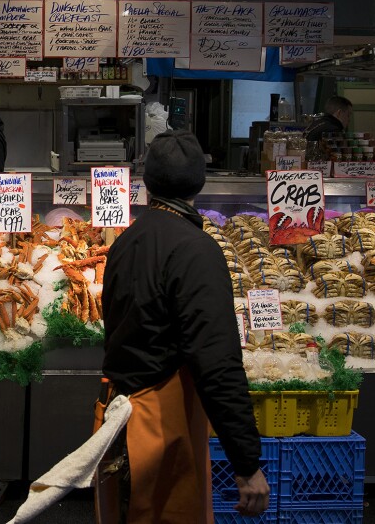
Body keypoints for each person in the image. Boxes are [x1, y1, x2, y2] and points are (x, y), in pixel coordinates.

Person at [96, 129, 269, 524]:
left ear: (148, 182)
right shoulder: (196, 251)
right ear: (199, 183)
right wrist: (247, 464)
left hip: (118, 418)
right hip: (160, 431)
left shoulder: (126, 241)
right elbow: (218, 363)